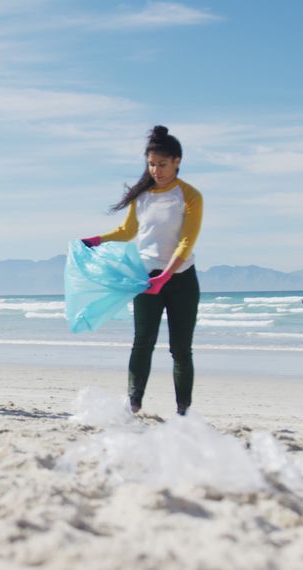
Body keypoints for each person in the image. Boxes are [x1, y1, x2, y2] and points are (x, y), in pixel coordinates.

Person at [82, 126, 203, 415]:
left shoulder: (189, 196)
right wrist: (98, 240)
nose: (156, 170)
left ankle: (182, 410)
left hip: (181, 278)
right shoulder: (143, 196)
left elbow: (186, 240)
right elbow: (128, 231)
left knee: (180, 349)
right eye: (151, 164)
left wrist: (167, 275)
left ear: (177, 161)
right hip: (145, 278)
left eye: (162, 164)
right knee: (142, 342)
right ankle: (134, 403)